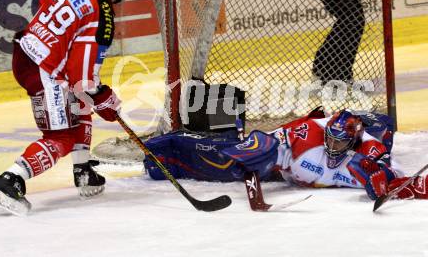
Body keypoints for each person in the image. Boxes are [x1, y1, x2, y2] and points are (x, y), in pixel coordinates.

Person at [0, 0, 146, 215]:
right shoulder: (103, 17)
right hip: (44, 68)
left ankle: (83, 171)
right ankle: (10, 179)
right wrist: (104, 98)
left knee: (80, 102)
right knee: (60, 136)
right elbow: (82, 76)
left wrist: (92, 95)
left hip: (27, 52)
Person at [143, 108, 428, 202]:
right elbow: (271, 140)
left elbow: (396, 176)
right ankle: (166, 156)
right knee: (231, 160)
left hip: (300, 175)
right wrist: (257, 155)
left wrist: (381, 180)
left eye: (340, 141)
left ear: (352, 141)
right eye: (330, 136)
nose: (332, 144)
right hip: (284, 167)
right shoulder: (309, 131)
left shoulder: (367, 152)